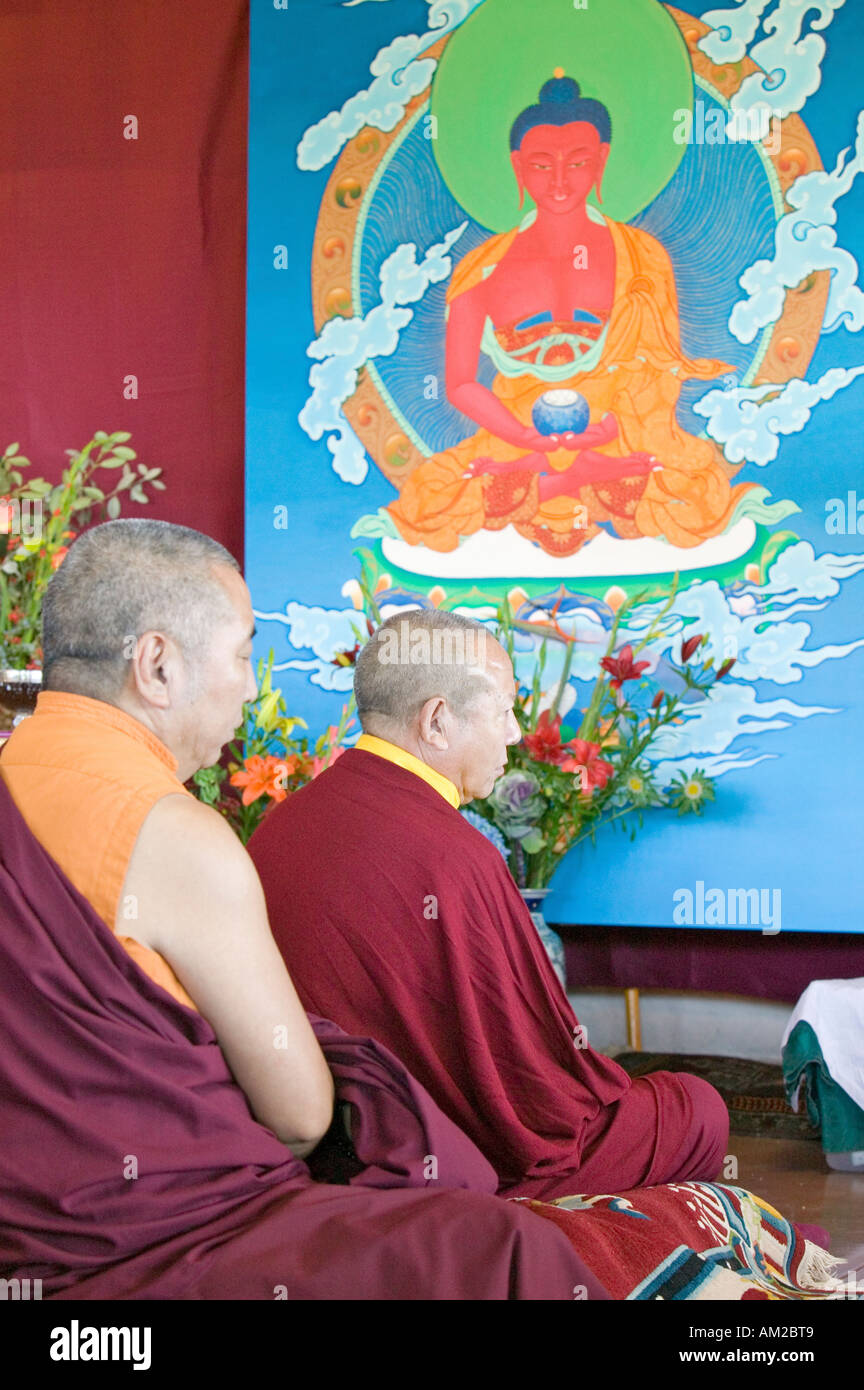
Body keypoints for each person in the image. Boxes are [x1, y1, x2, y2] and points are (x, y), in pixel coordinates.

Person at [0, 520, 604, 1300]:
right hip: (144, 1248)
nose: (251, 688)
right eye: (245, 654)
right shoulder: (171, 832)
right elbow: (299, 1115)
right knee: (505, 1248)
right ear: (156, 665)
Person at [249, 607, 730, 1201]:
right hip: (447, 1166)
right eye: (504, 710)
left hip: (323, 1152)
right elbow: (539, 1103)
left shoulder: (276, 827)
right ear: (437, 722)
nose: (514, 733)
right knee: (698, 1108)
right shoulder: (456, 857)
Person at [387, 74, 754, 557]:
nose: (559, 181)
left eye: (578, 162)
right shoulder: (480, 269)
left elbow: (655, 372)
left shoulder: (641, 256)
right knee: (428, 499)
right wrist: (522, 435)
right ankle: (571, 478)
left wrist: (609, 431)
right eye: (541, 165)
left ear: (602, 159)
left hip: (617, 438)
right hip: (514, 441)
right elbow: (460, 384)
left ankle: (566, 478)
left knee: (692, 494)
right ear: (517, 167)